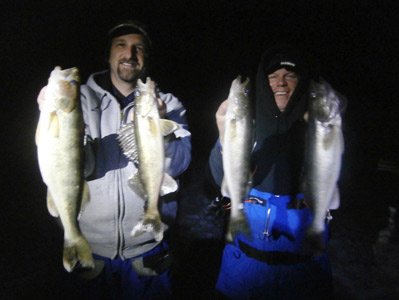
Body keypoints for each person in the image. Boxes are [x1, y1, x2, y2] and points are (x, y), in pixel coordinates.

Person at [37, 20, 191, 300]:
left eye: (138, 48)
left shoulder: (169, 103)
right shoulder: (80, 98)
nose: (129, 54)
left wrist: (159, 129)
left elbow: (179, 165)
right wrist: (59, 122)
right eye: (121, 45)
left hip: (148, 251)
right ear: (108, 55)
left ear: (146, 58)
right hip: (92, 250)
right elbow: (80, 168)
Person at [208, 46, 336, 299]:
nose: (281, 82)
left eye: (290, 75)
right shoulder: (247, 124)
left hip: (304, 275)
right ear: (262, 83)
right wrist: (223, 135)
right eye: (273, 76)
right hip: (242, 270)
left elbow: (345, 185)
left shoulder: (318, 127)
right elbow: (214, 181)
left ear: (301, 82)